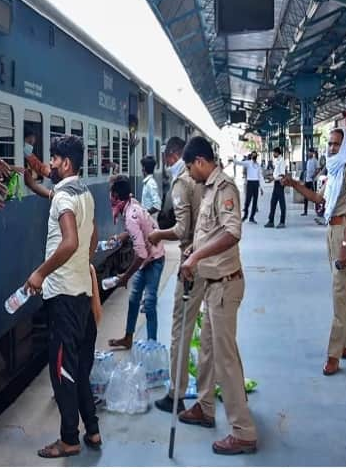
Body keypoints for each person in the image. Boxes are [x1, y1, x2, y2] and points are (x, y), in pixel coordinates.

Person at [179, 136, 257, 455]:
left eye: (189, 167)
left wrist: (196, 259)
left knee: (224, 359)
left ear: (200, 161)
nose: (188, 174)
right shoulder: (208, 188)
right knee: (209, 352)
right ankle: (205, 407)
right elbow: (211, 232)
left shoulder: (224, 188)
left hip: (225, 285)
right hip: (213, 286)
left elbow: (231, 232)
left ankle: (244, 431)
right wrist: (193, 249)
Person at [24, 135, 101, 458]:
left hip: (64, 297)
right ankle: (92, 432)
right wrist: (32, 183)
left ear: (65, 163)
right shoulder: (82, 192)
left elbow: (69, 241)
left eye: (53, 160)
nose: (50, 165)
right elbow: (91, 236)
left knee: (62, 371)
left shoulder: (63, 199)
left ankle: (69, 439)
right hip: (81, 292)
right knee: (80, 369)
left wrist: (41, 273)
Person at [281, 129, 346, 376]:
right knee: (343, 289)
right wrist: (295, 184)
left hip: (343, 235)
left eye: (336, 144)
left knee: (339, 292)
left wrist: (345, 248)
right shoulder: (334, 170)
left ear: (344, 145)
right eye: (329, 144)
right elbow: (319, 198)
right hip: (331, 232)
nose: (331, 148)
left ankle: (334, 354)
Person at [146, 140, 205, 414]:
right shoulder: (202, 180)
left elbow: (182, 229)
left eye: (167, 159)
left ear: (172, 156)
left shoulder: (182, 182)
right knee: (215, 331)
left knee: (180, 327)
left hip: (192, 261)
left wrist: (158, 234)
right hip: (206, 256)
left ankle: (176, 393)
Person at [106, 176, 165, 348]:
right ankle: (128, 338)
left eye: (111, 193)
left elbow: (140, 254)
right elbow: (139, 228)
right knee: (133, 301)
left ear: (116, 196)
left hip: (154, 259)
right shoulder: (131, 202)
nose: (109, 197)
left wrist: (125, 276)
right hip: (148, 260)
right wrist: (121, 237)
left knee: (149, 303)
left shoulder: (130, 216)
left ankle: (152, 345)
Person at [157, 136, 186, 230]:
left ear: (172, 154)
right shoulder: (176, 172)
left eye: (165, 156)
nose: (164, 161)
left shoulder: (184, 174)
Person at [23, 127, 54, 199]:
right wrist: (56, 196)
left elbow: (39, 166)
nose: (30, 146)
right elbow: (33, 186)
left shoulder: (29, 155)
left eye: (32, 144)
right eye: (29, 142)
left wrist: (52, 175)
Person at [232, 151, 263, 223]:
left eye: (255, 155)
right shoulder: (248, 163)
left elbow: (260, 176)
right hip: (250, 183)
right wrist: (233, 160)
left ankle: (252, 217)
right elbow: (240, 163)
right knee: (247, 201)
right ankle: (245, 216)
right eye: (253, 155)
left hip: (256, 183)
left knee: (255, 201)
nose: (254, 156)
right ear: (251, 156)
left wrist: (261, 188)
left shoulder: (258, 165)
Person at [265, 147, 287, 228]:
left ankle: (282, 222)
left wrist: (274, 178)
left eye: (274, 153)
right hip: (276, 184)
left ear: (277, 153)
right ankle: (271, 221)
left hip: (280, 184)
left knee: (282, 204)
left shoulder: (282, 161)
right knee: (273, 202)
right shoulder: (277, 161)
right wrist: (272, 178)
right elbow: (276, 173)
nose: (273, 154)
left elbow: (282, 174)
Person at [301, 149, 320, 216]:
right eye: (308, 153)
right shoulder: (308, 161)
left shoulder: (315, 160)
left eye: (310, 153)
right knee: (305, 196)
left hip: (313, 181)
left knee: (315, 196)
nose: (308, 154)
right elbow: (307, 171)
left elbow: (318, 169)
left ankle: (318, 210)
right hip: (307, 180)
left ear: (312, 153)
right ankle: (305, 211)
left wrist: (313, 176)